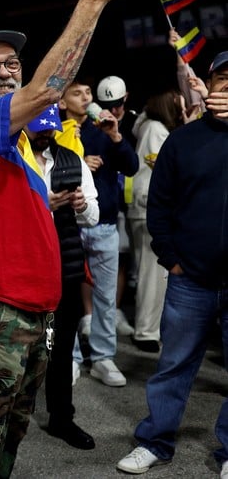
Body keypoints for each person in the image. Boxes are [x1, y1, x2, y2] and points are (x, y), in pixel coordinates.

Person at [0, 0, 129, 477]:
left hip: (32, 313)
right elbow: (46, 91)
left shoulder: (18, 145)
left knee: (7, 440)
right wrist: (93, 1)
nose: (3, 71)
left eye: (11, 64)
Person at [116, 51, 228, 475]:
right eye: (222, 78)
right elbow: (159, 205)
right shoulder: (182, 139)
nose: (227, 86)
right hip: (191, 280)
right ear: (208, 84)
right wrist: (172, 259)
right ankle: (155, 441)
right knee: (173, 367)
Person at [23, 105, 99, 451]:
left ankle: (61, 418)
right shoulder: (13, 158)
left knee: (61, 347)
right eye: (39, 128)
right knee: (18, 346)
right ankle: (9, 417)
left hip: (64, 267)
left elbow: (94, 218)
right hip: (22, 266)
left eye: (49, 129)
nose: (45, 135)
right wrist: (42, 205)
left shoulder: (71, 159)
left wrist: (81, 205)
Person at [60, 79, 138, 387]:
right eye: (76, 93)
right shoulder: (54, 133)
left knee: (106, 297)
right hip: (68, 226)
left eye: (87, 93)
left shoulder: (103, 129)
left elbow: (131, 167)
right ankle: (72, 357)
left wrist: (116, 136)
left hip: (104, 224)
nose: (85, 97)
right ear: (62, 101)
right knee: (69, 299)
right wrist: (79, 162)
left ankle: (103, 357)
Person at [127, 89, 187, 353]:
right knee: (151, 275)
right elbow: (164, 165)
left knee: (152, 274)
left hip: (144, 205)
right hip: (147, 206)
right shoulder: (153, 128)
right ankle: (145, 332)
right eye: (178, 104)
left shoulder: (150, 125)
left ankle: (150, 328)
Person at [93, 75, 137, 339]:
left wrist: (118, 136)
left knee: (121, 261)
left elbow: (132, 165)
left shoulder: (131, 121)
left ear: (126, 99)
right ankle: (88, 318)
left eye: (119, 103)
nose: (115, 109)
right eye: (109, 104)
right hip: (98, 206)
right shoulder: (94, 126)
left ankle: (116, 311)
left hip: (122, 201)